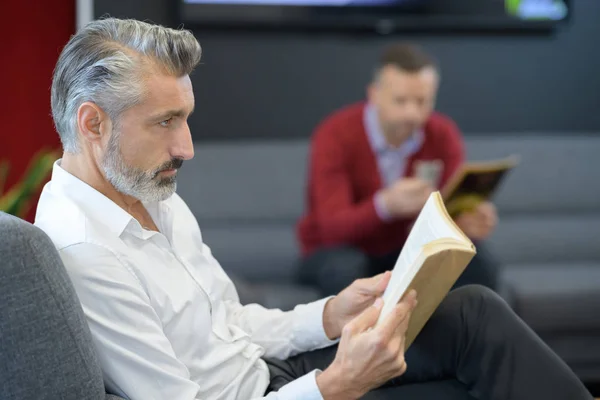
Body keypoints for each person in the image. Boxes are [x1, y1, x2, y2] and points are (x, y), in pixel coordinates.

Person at [34, 18, 592, 400]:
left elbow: (230, 324)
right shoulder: (87, 252)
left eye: (186, 118)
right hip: (274, 393)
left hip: (269, 373)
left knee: (473, 312)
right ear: (93, 123)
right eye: (165, 122)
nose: (187, 147)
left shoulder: (151, 191)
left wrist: (329, 316)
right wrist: (336, 384)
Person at [297, 43, 501, 296]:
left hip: (408, 251)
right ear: (374, 94)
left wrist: (467, 220)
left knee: (479, 263)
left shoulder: (442, 134)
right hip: (336, 251)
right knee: (346, 268)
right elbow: (332, 229)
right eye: (401, 101)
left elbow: (446, 212)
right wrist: (385, 206)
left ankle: (454, 336)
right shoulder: (335, 134)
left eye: (422, 101)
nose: (412, 114)